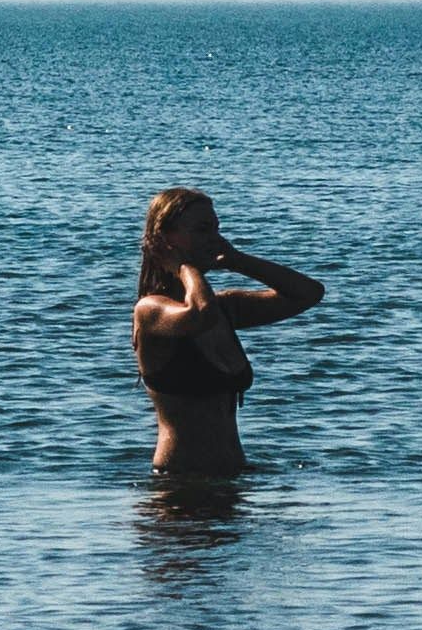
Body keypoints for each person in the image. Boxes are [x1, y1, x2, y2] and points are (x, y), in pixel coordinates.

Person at [132, 188, 323, 474]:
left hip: (233, 478)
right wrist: (182, 266)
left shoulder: (224, 308)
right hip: (179, 486)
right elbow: (200, 313)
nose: (214, 239)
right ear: (165, 238)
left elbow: (308, 293)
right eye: (202, 229)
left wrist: (236, 260)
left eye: (216, 229)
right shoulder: (150, 311)